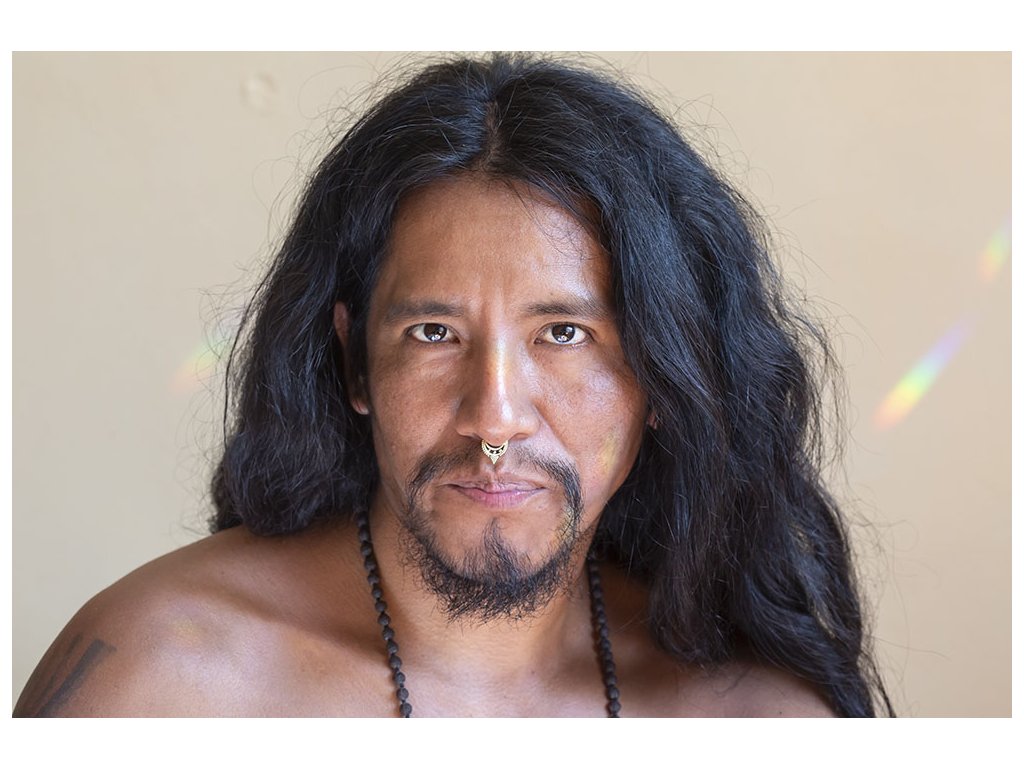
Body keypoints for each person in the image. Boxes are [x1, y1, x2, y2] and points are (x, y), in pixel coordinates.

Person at [14, 53, 892, 717]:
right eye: (434, 333)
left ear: (663, 377)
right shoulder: (159, 684)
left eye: (563, 335)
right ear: (356, 363)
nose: (494, 419)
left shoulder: (753, 717)